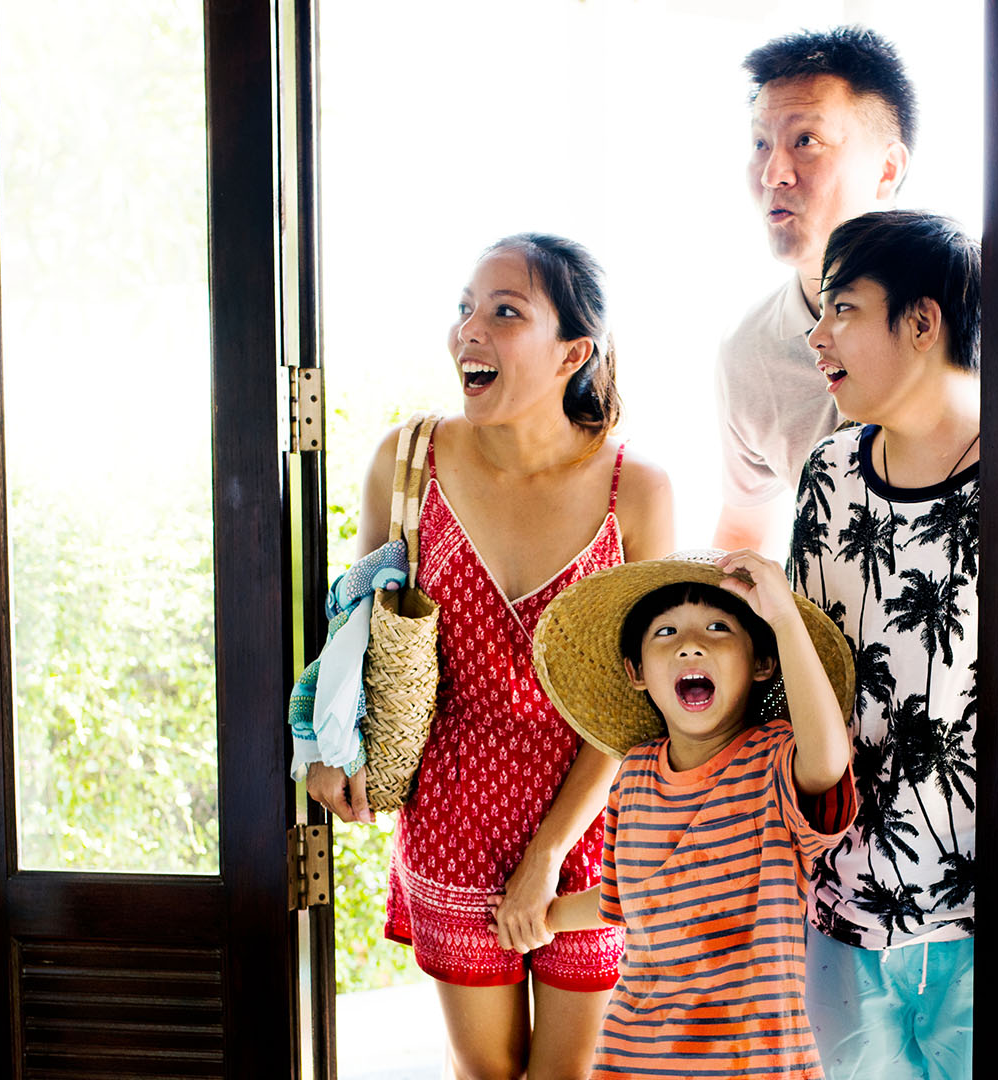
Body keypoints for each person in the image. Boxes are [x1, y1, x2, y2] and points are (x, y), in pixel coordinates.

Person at [306, 233, 674, 1080]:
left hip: (592, 828)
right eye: (465, 307)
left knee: (566, 1077)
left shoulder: (638, 491)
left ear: (573, 352)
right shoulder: (408, 462)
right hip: (450, 817)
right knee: (485, 1074)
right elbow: (353, 635)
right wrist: (324, 753)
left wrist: (548, 852)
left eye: (505, 312)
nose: (470, 330)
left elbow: (640, 707)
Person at [522, 551, 856, 1078]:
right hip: (634, 1058)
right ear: (636, 672)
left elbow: (828, 762)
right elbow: (624, 900)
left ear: (762, 664)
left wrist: (785, 619)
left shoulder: (775, 760)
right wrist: (543, 916)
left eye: (719, 627)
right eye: (666, 632)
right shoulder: (631, 776)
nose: (691, 644)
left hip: (754, 1062)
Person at [789, 210, 981, 1080]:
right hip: (839, 908)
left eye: (843, 309)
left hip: (990, 916)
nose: (817, 336)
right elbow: (796, 683)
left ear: (923, 321)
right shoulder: (828, 473)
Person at [714, 26, 917, 555]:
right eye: (761, 143)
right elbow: (743, 537)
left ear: (887, 168)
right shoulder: (749, 352)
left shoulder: (989, 304)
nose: (774, 173)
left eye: (806, 141)